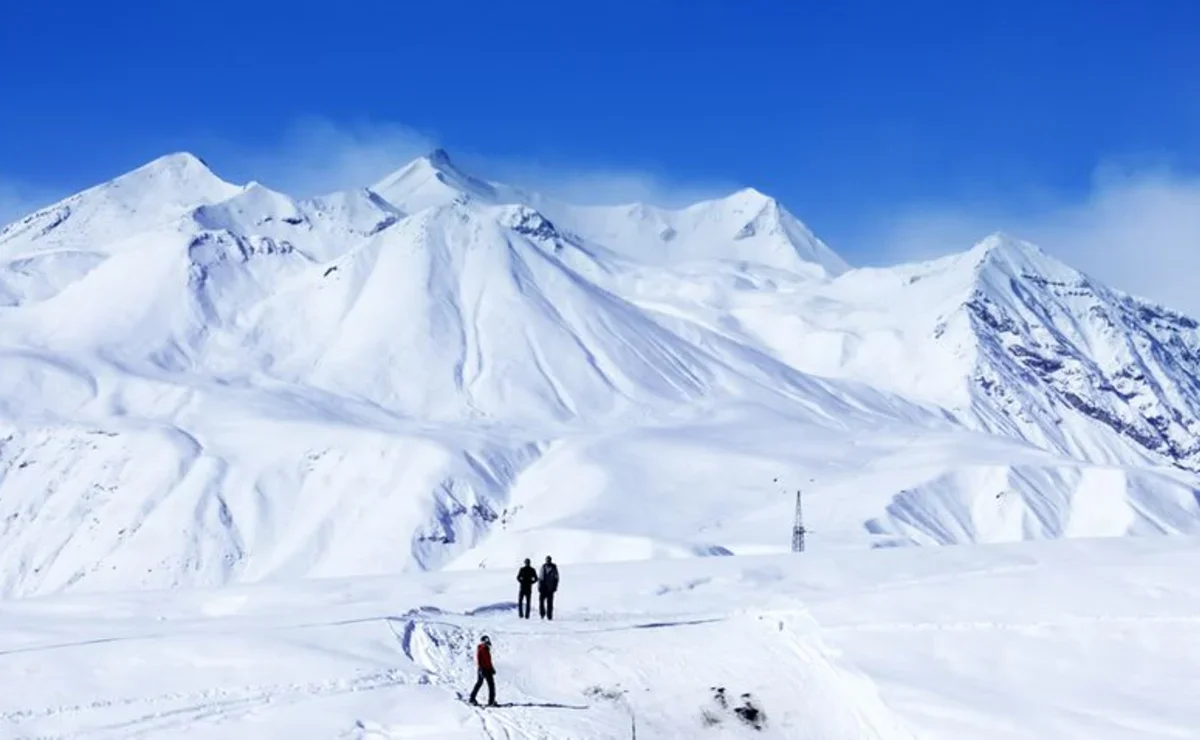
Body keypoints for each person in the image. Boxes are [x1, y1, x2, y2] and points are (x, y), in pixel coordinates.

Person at [468, 635, 497, 706]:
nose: (487, 642)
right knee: (490, 685)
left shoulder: (485, 648)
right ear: (483, 641)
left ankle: (472, 698)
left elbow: (488, 661)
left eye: (487, 641)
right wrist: (481, 669)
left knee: (480, 683)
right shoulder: (482, 648)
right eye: (486, 641)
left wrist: (491, 668)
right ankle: (491, 702)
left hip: (487, 669)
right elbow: (479, 660)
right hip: (484, 669)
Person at [538, 555, 559, 620]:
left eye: (549, 560)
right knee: (541, 601)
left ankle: (549, 616)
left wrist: (555, 587)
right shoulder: (543, 567)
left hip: (550, 588)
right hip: (543, 587)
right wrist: (539, 586)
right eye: (547, 560)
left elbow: (556, 578)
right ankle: (542, 614)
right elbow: (540, 577)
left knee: (549, 603)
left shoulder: (554, 567)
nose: (548, 561)